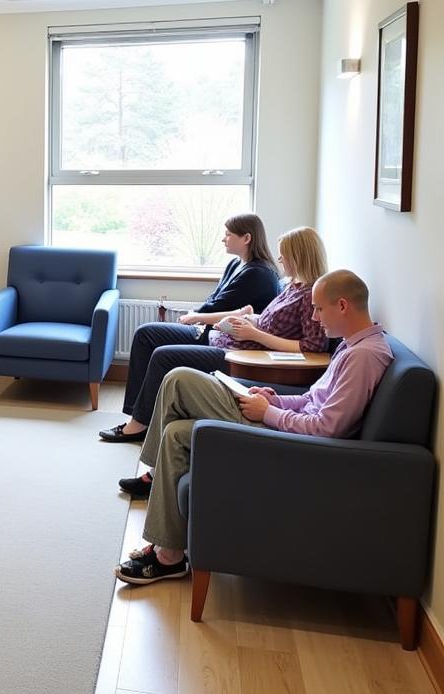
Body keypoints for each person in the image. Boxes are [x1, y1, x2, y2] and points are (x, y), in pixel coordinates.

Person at [114, 270, 392, 585]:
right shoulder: (352, 346)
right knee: (177, 433)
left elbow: (327, 428)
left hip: (287, 442)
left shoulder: (365, 357)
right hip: (283, 426)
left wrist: (269, 413)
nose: (314, 317)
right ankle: (170, 556)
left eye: (318, 308)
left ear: (342, 305)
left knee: (178, 378)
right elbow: (314, 400)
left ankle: (149, 471)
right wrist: (277, 401)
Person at [108, 226, 330, 496]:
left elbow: (312, 346)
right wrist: (250, 319)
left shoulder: (310, 295)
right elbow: (274, 324)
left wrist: (253, 332)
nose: (280, 260)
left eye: (285, 255)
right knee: (150, 338)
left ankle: (146, 447)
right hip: (230, 340)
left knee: (164, 357)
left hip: (242, 356)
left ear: (300, 256)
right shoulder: (291, 286)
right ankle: (141, 425)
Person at [100, 213, 282, 444]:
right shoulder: (236, 264)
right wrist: (196, 315)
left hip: (229, 343)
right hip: (211, 331)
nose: (223, 239)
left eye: (228, 234)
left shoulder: (259, 274)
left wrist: (195, 316)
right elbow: (216, 299)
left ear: (246, 238)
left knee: (160, 353)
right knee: (146, 334)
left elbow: (222, 307)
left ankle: (139, 423)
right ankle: (138, 415)